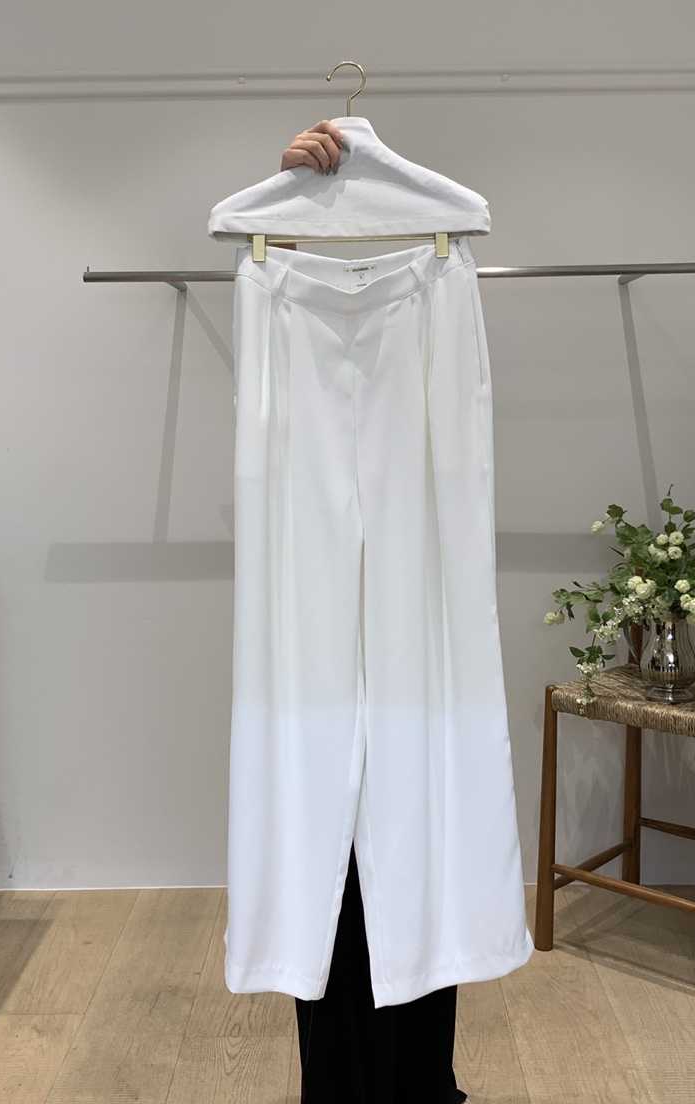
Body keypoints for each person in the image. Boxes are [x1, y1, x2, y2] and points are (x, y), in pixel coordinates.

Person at [276, 120, 473, 1104]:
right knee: (329, 826)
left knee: (413, 820)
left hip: (418, 325)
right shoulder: (273, 282)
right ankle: (353, 1080)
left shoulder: (442, 278)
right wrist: (293, 204)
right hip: (296, 316)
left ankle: (419, 1079)